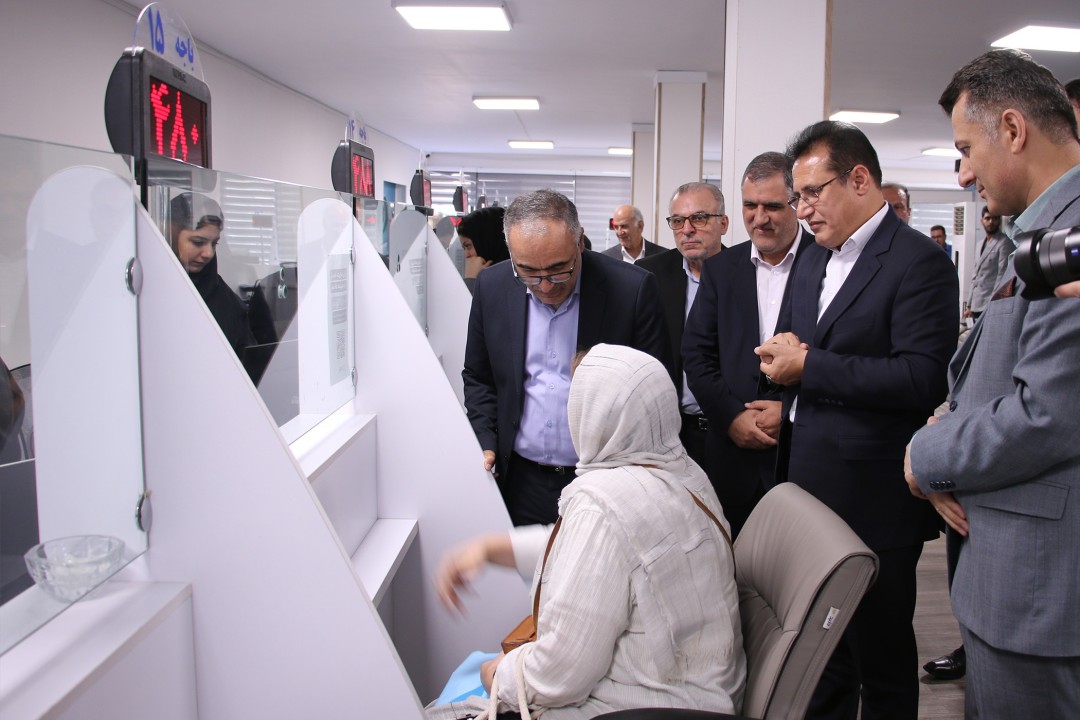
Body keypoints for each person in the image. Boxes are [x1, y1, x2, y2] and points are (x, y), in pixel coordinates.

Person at [756, 120, 958, 720]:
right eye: (797, 197)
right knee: (821, 662)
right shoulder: (814, 258)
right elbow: (802, 342)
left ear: (860, 179)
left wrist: (808, 366)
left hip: (874, 498)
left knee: (882, 660)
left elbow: (921, 379)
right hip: (808, 485)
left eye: (811, 193)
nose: (802, 210)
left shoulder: (919, 262)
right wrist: (784, 357)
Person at [904, 48, 1080, 718]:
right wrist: (951, 417)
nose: (963, 172)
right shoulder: (1037, 233)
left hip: (1040, 592)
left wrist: (927, 453)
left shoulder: (1070, 235)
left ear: (1012, 129)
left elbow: (1048, 415)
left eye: (965, 149)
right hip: (1010, 576)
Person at [433, 344, 745, 719]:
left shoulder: (602, 504)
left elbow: (558, 675)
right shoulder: (686, 476)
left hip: (632, 707)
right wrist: (489, 549)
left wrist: (499, 674)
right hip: (703, 698)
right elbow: (599, 554)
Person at [463, 190, 669, 526]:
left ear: (579, 242)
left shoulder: (632, 290)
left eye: (559, 269)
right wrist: (485, 437)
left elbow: (654, 394)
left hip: (603, 480)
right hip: (520, 480)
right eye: (529, 272)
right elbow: (479, 376)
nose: (545, 286)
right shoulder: (493, 286)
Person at [682, 152, 814, 538]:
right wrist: (731, 418)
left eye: (772, 206)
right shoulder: (721, 270)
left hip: (801, 458)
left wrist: (790, 411)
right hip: (731, 460)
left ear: (796, 204)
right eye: (750, 206)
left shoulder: (826, 262)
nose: (759, 218)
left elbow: (834, 355)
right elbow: (696, 354)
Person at [637, 182, 728, 479]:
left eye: (699, 218)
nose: (687, 229)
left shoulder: (746, 272)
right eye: (678, 221)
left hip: (730, 432)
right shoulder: (649, 275)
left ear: (723, 223)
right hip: (668, 436)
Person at [167, 193, 253, 359]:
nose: (208, 253)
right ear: (172, 235)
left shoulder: (229, 304)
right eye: (198, 242)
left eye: (214, 243)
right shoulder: (148, 292)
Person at [964, 207, 1012, 320]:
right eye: (987, 218)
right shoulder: (979, 244)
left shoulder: (1004, 242)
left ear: (999, 220)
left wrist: (994, 302)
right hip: (976, 303)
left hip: (990, 302)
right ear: (982, 221)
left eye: (995, 218)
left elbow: (1002, 275)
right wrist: (969, 305)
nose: (991, 222)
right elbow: (975, 276)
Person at [457, 206, 510, 294]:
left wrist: (471, 280)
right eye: (464, 248)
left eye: (468, 246)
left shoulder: (514, 280)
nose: (466, 254)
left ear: (487, 241)